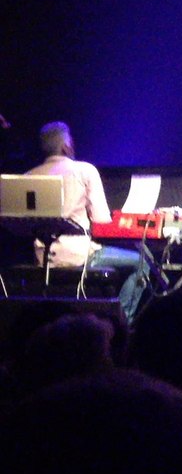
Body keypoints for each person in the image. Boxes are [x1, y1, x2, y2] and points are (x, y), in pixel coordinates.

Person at [25, 122, 149, 323]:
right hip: (79, 257)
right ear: (66, 146)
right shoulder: (84, 171)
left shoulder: (29, 176)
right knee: (143, 261)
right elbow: (101, 221)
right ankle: (121, 322)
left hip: (43, 259)